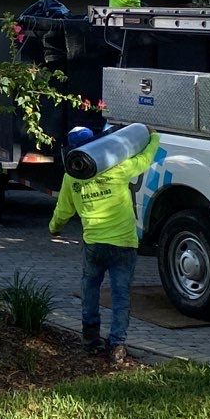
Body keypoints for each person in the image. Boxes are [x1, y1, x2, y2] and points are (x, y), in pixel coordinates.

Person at [49, 125, 162, 365]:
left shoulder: (72, 178)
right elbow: (144, 159)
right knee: (121, 296)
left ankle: (90, 340)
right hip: (124, 244)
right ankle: (117, 346)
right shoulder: (117, 168)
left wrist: (54, 228)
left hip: (94, 245)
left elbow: (63, 211)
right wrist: (154, 137)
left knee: (90, 290)